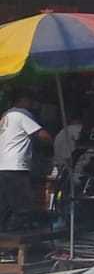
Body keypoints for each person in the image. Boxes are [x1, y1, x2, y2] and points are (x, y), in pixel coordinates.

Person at [0, 91, 51, 232]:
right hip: (16, 166)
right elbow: (43, 136)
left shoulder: (5, 117)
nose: (31, 105)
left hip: (2, 165)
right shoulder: (21, 114)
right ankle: (18, 234)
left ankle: (5, 234)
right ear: (22, 100)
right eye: (29, 101)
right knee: (23, 204)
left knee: (5, 205)